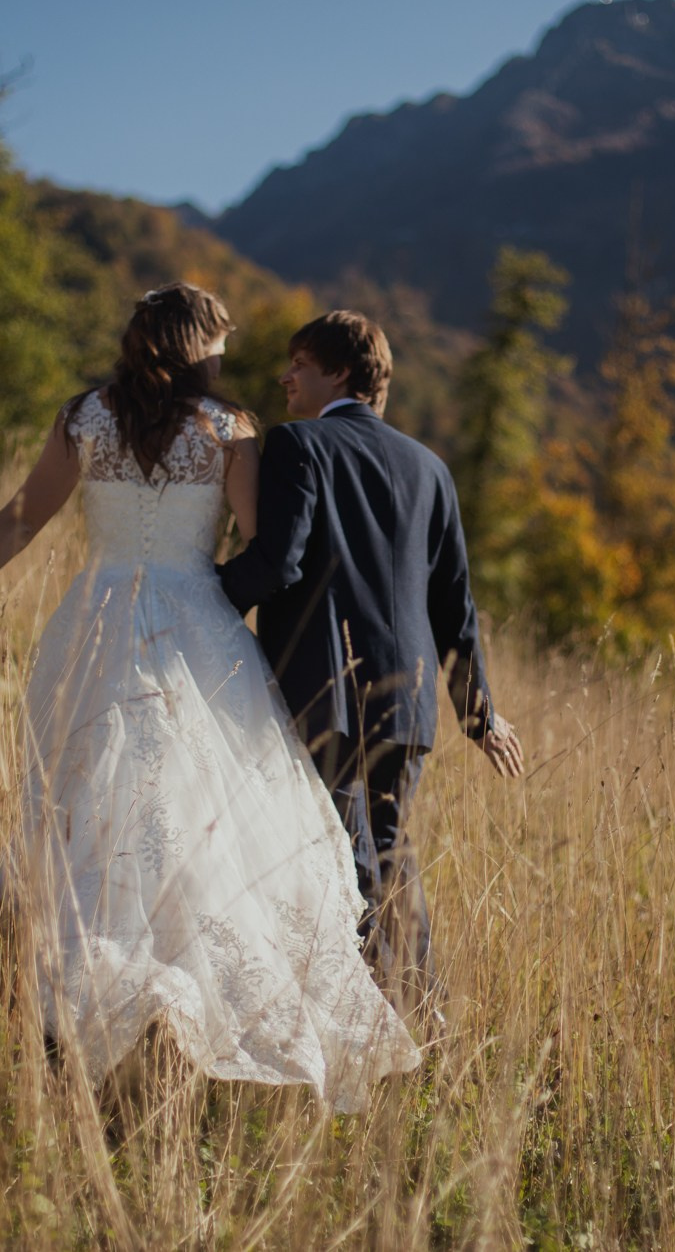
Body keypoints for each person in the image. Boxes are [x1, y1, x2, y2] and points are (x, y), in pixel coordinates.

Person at [0, 284, 419, 1111]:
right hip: (195, 632)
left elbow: (18, 520)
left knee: (94, 812)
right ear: (197, 343)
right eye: (223, 343)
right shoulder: (231, 430)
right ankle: (158, 1007)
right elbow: (263, 550)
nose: (230, 357)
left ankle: (90, 1007)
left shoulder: (83, 418)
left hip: (93, 625)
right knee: (197, 828)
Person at [218, 311, 524, 1014]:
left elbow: (278, 561)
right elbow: (457, 607)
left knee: (342, 858)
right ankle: (418, 1009)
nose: (284, 375)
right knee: (382, 855)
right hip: (408, 708)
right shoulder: (432, 468)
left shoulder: (299, 445)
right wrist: (480, 715)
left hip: (326, 688)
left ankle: (380, 1019)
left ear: (344, 374)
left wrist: (199, 601)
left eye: (301, 363)